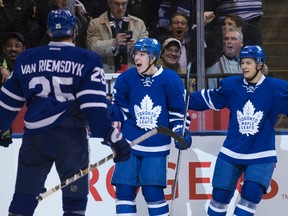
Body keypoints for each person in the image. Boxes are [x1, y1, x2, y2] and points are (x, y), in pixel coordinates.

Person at [0, 9, 131, 216]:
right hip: (70, 142)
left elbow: (6, 104)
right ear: (75, 31)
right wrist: (114, 138)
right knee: (74, 204)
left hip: (35, 140)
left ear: (49, 32)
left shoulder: (27, 58)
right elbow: (93, 107)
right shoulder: (87, 59)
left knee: (23, 201)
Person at [188, 45, 288, 216]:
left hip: (261, 154)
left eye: (248, 63)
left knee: (251, 196)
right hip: (231, 152)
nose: (244, 67)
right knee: (219, 197)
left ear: (259, 64)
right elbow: (203, 100)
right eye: (242, 63)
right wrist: (178, 98)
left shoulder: (276, 88)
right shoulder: (232, 85)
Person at [109, 38, 192, 215]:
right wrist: (106, 110)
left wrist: (181, 131)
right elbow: (121, 111)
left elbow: (178, 112)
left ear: (153, 57)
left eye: (142, 54)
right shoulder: (127, 78)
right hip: (129, 143)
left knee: (152, 192)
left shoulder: (170, 79)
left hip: (156, 145)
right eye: (136, 54)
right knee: (124, 191)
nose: (136, 58)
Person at [86, 0, 148, 73]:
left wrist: (135, 48)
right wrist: (113, 43)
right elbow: (92, 48)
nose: (120, 7)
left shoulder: (139, 24)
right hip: (105, 74)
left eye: (123, 4)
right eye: (116, 4)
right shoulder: (95, 24)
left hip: (132, 75)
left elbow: (147, 51)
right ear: (109, 3)